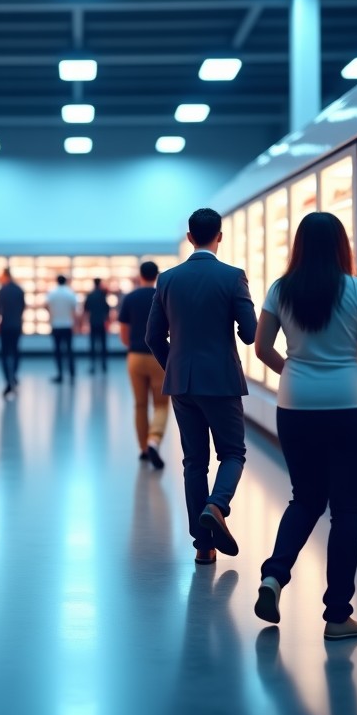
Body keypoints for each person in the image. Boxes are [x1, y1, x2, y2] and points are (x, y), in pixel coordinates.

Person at [253, 211, 357, 642]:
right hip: (350, 407)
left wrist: (294, 370)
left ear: (300, 246)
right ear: (342, 246)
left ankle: (274, 576)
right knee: (346, 510)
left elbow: (261, 346)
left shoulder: (281, 290)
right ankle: (337, 616)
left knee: (304, 499)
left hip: (297, 407)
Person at [146, 207, 257, 565]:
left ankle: (204, 546)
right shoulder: (232, 277)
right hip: (222, 381)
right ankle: (217, 504)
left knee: (194, 462)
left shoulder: (167, 279)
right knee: (233, 453)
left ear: (190, 238)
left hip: (182, 383)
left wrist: (174, 368)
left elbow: (152, 337)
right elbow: (251, 333)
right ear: (219, 236)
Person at [118, 260, 168, 470]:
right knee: (161, 404)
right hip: (159, 357)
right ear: (157, 275)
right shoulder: (163, 296)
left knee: (140, 404)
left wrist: (134, 345)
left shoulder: (130, 298)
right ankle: (153, 440)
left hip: (135, 357)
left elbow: (124, 334)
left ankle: (143, 450)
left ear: (140, 275)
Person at [0, 267, 25, 399]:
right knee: (16, 350)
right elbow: (23, 307)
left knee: (4, 353)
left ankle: (7, 379)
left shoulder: (1, 291)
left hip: (5, 326)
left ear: (5, 276)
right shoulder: (19, 290)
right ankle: (14, 375)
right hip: (16, 325)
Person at [46, 274, 78, 383]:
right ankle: (72, 373)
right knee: (69, 350)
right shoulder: (70, 293)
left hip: (56, 325)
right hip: (68, 325)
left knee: (58, 351)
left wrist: (51, 318)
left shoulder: (52, 293)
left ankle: (60, 374)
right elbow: (74, 309)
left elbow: (47, 306)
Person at [83, 278, 111, 373]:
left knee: (92, 344)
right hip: (102, 322)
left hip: (93, 322)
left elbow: (86, 309)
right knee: (103, 344)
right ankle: (104, 365)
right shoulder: (103, 295)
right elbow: (107, 309)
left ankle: (92, 365)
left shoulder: (90, 295)